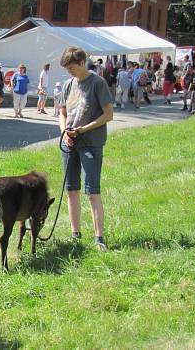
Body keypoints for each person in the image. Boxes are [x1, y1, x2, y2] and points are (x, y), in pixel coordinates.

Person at [58, 46, 114, 252]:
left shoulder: (98, 84)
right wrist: (66, 133)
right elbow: (62, 114)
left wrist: (83, 130)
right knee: (71, 189)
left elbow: (108, 115)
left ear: (82, 63)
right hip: (70, 143)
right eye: (67, 69)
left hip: (91, 142)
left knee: (92, 191)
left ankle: (99, 237)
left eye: (72, 68)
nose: (69, 72)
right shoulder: (67, 85)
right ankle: (76, 233)